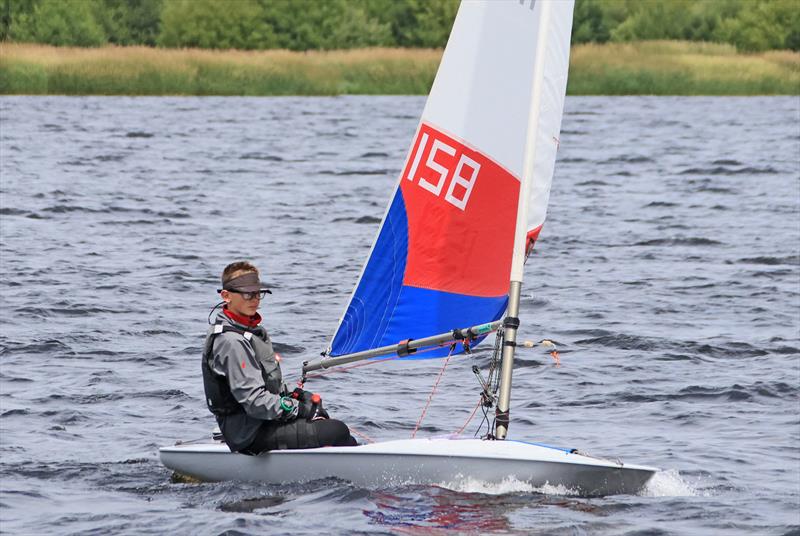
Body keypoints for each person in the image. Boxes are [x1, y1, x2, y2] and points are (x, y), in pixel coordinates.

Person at [202, 260, 356, 454]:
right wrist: (298, 409)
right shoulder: (232, 342)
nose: (255, 299)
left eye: (258, 293)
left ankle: (362, 458)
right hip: (247, 434)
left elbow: (265, 385)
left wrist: (295, 396)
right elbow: (255, 402)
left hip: (261, 422)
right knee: (336, 430)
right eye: (247, 293)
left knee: (329, 423)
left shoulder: (250, 333)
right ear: (226, 296)